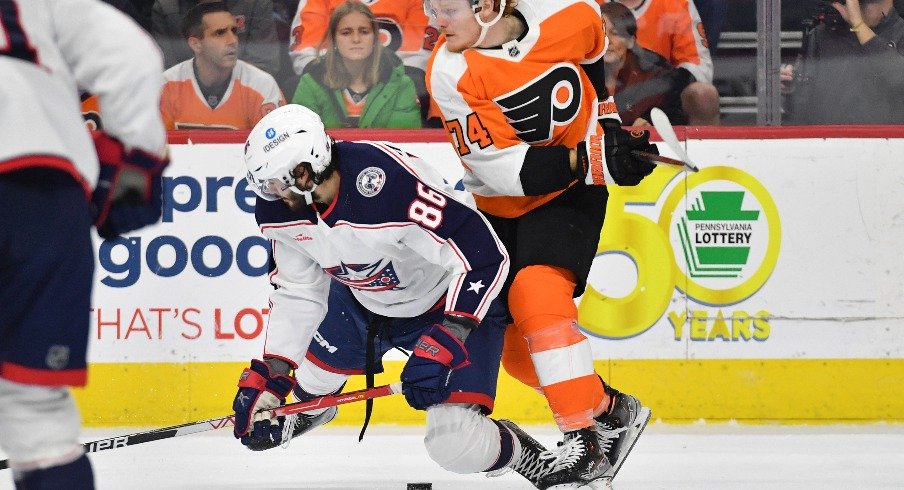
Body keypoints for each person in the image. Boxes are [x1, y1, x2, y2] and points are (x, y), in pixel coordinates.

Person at [231, 104, 553, 487]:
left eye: (278, 185)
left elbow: (483, 257)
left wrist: (449, 338)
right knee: (312, 379)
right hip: (363, 301)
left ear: (307, 170)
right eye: (264, 186)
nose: (271, 197)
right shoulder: (280, 211)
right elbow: (298, 292)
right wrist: (275, 375)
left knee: (455, 443)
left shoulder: (387, 185)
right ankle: (311, 406)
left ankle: (532, 460)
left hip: (445, 302)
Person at [425, 0, 655, 488]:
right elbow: (502, 171)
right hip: (499, 206)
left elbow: (591, 56)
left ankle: (583, 444)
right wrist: (595, 159)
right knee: (515, 356)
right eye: (430, 7)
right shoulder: (449, 72)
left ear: (488, 5)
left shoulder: (565, 10)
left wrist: (609, 127)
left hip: (570, 199)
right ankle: (612, 409)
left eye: (445, 8)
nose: (434, 21)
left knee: (538, 295)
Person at [0, 0, 169, 488]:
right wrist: (133, 176)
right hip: (43, 194)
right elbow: (133, 57)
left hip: (42, 191)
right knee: (38, 421)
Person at [289, 0, 439, 125]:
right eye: (346, 32)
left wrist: (384, 76)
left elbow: (416, 54)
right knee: (300, 83)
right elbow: (306, 51)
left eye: (364, 32)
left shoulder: (403, 84)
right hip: (333, 72)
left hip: (390, 75)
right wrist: (338, 70)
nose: (356, 39)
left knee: (416, 84)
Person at [159, 1, 286, 130]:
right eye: (220, 33)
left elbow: (278, 147)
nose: (233, 40)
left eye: (234, 31)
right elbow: (153, 148)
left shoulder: (262, 86)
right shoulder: (164, 87)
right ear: (195, 44)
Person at [781, 0, 904, 124]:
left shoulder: (901, 34)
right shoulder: (821, 36)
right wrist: (791, 91)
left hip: (886, 141)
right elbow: (801, 111)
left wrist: (858, 25)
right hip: (829, 140)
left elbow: (899, 80)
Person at [606, 0, 721, 125]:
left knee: (703, 95)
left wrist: (651, 106)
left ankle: (701, 144)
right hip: (596, 99)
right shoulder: (587, 4)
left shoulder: (677, 3)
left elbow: (699, 70)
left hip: (661, 104)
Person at [152, 0, 281, 77]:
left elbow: (266, 65)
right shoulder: (166, 7)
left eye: (234, 30)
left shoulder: (255, 3)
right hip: (183, 99)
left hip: (245, 96)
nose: (232, 40)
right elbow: (164, 71)